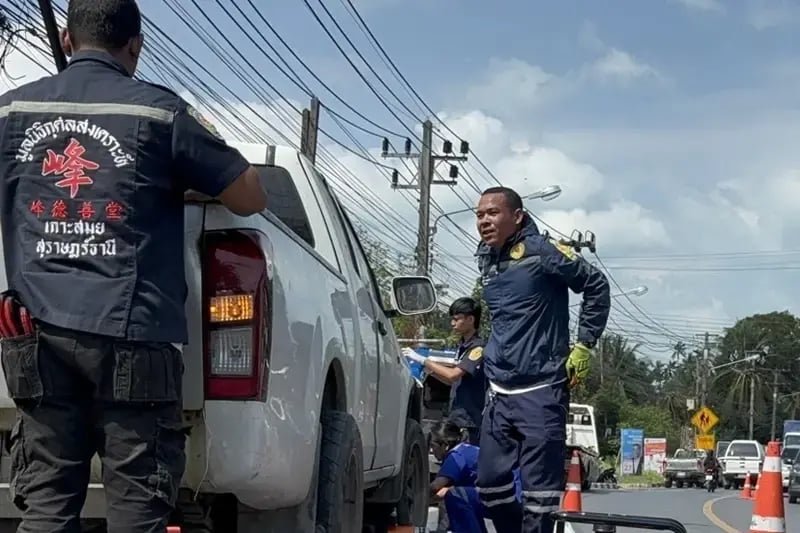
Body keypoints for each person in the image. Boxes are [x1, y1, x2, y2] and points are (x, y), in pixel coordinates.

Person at [0, 1, 267, 531]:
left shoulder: (10, 112)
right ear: (136, 46)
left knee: (47, 502)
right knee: (137, 506)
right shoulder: (160, 113)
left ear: (69, 41)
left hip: (36, 333)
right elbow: (249, 197)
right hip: (132, 332)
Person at [473, 186, 611, 533]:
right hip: (498, 390)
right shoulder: (486, 257)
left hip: (542, 388)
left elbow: (596, 284)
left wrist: (584, 345)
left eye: (492, 213)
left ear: (516, 216)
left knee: (541, 497)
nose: (484, 221)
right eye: (479, 215)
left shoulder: (543, 251)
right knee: (489, 485)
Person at [403, 297, 487, 444]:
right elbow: (452, 381)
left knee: (465, 461)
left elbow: (453, 375)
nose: (452, 323)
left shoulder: (477, 348)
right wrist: (431, 372)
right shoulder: (462, 347)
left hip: (469, 421)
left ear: (471, 319)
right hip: (457, 417)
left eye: (457, 319)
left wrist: (423, 359)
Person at [429, 420, 522, 533]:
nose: (431, 450)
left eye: (432, 445)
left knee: (455, 495)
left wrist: (415, 500)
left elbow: (435, 488)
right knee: (459, 494)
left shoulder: (456, 457)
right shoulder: (466, 450)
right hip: (514, 494)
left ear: (445, 445)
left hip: (508, 497)